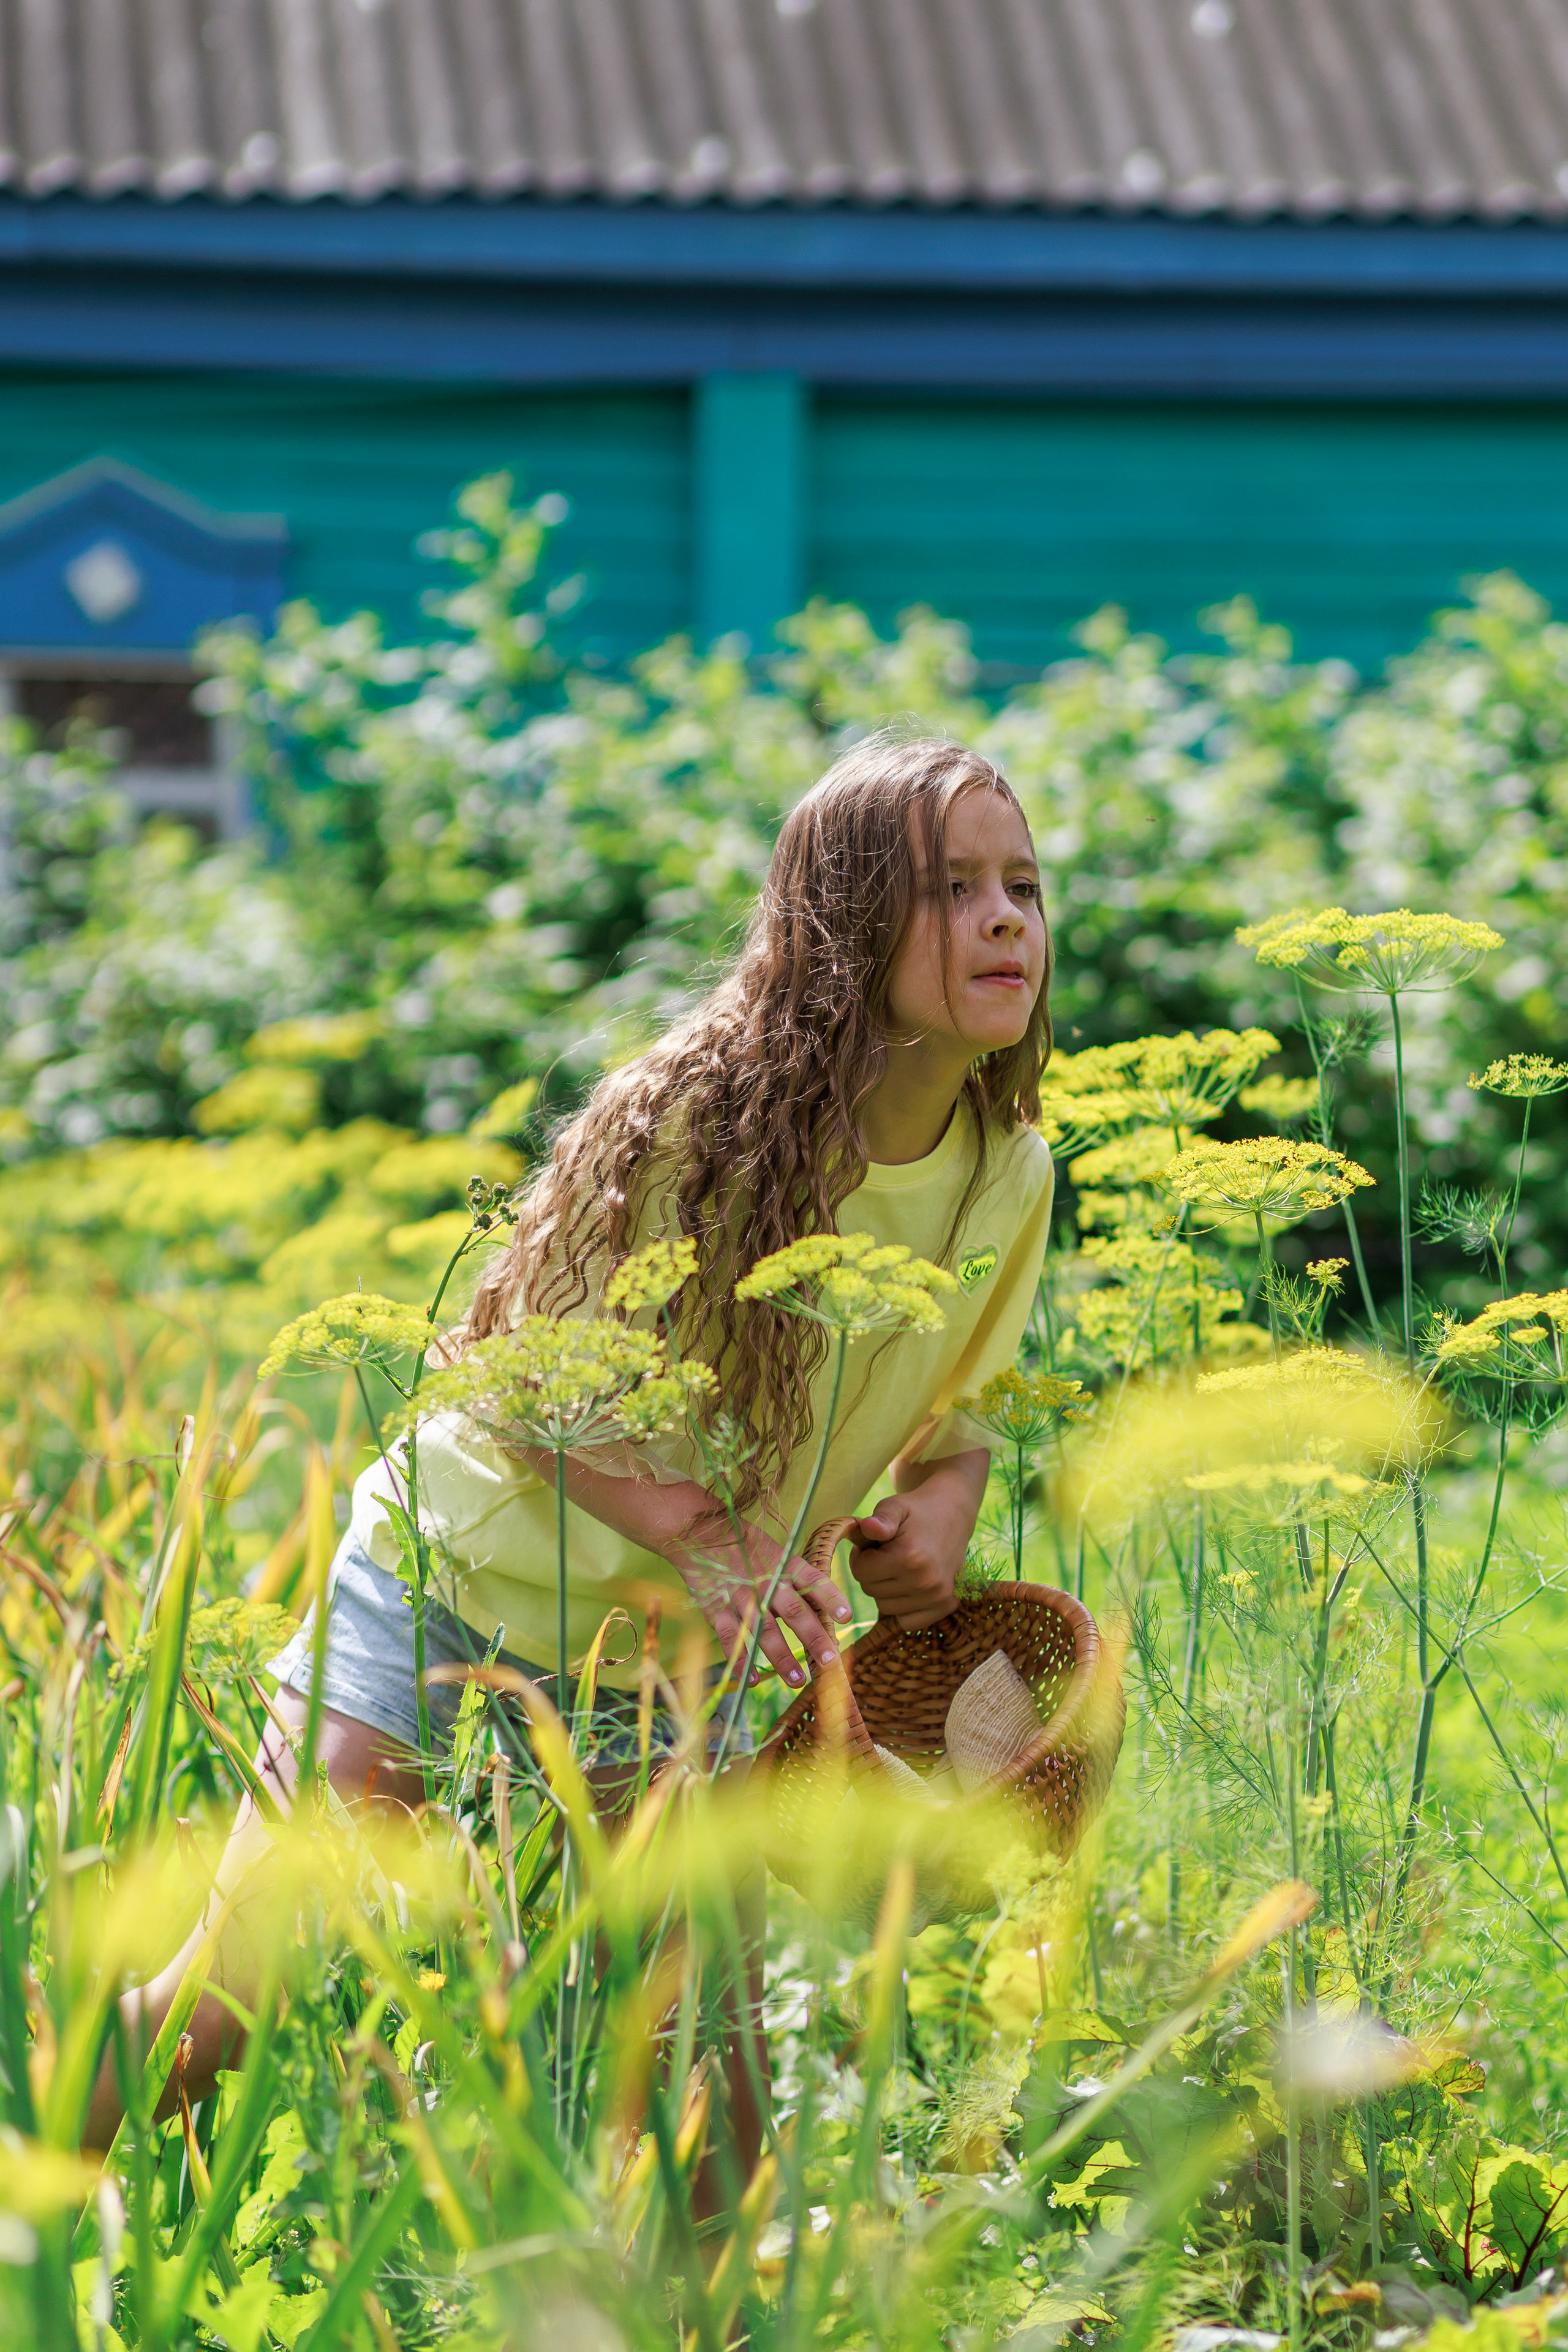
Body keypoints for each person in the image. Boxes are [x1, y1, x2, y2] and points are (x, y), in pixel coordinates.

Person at [86, 733, 1056, 2190]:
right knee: (234, 1994)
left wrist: (933, 1513)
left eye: (1023, 887)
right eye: (949, 888)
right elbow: (503, 1370)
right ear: (837, 928)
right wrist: (686, 1523)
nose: (1002, 919)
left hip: (670, 1667)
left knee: (705, 2094)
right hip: (455, 1583)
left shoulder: (1007, 1168)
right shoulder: (695, 1122)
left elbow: (959, 1415)